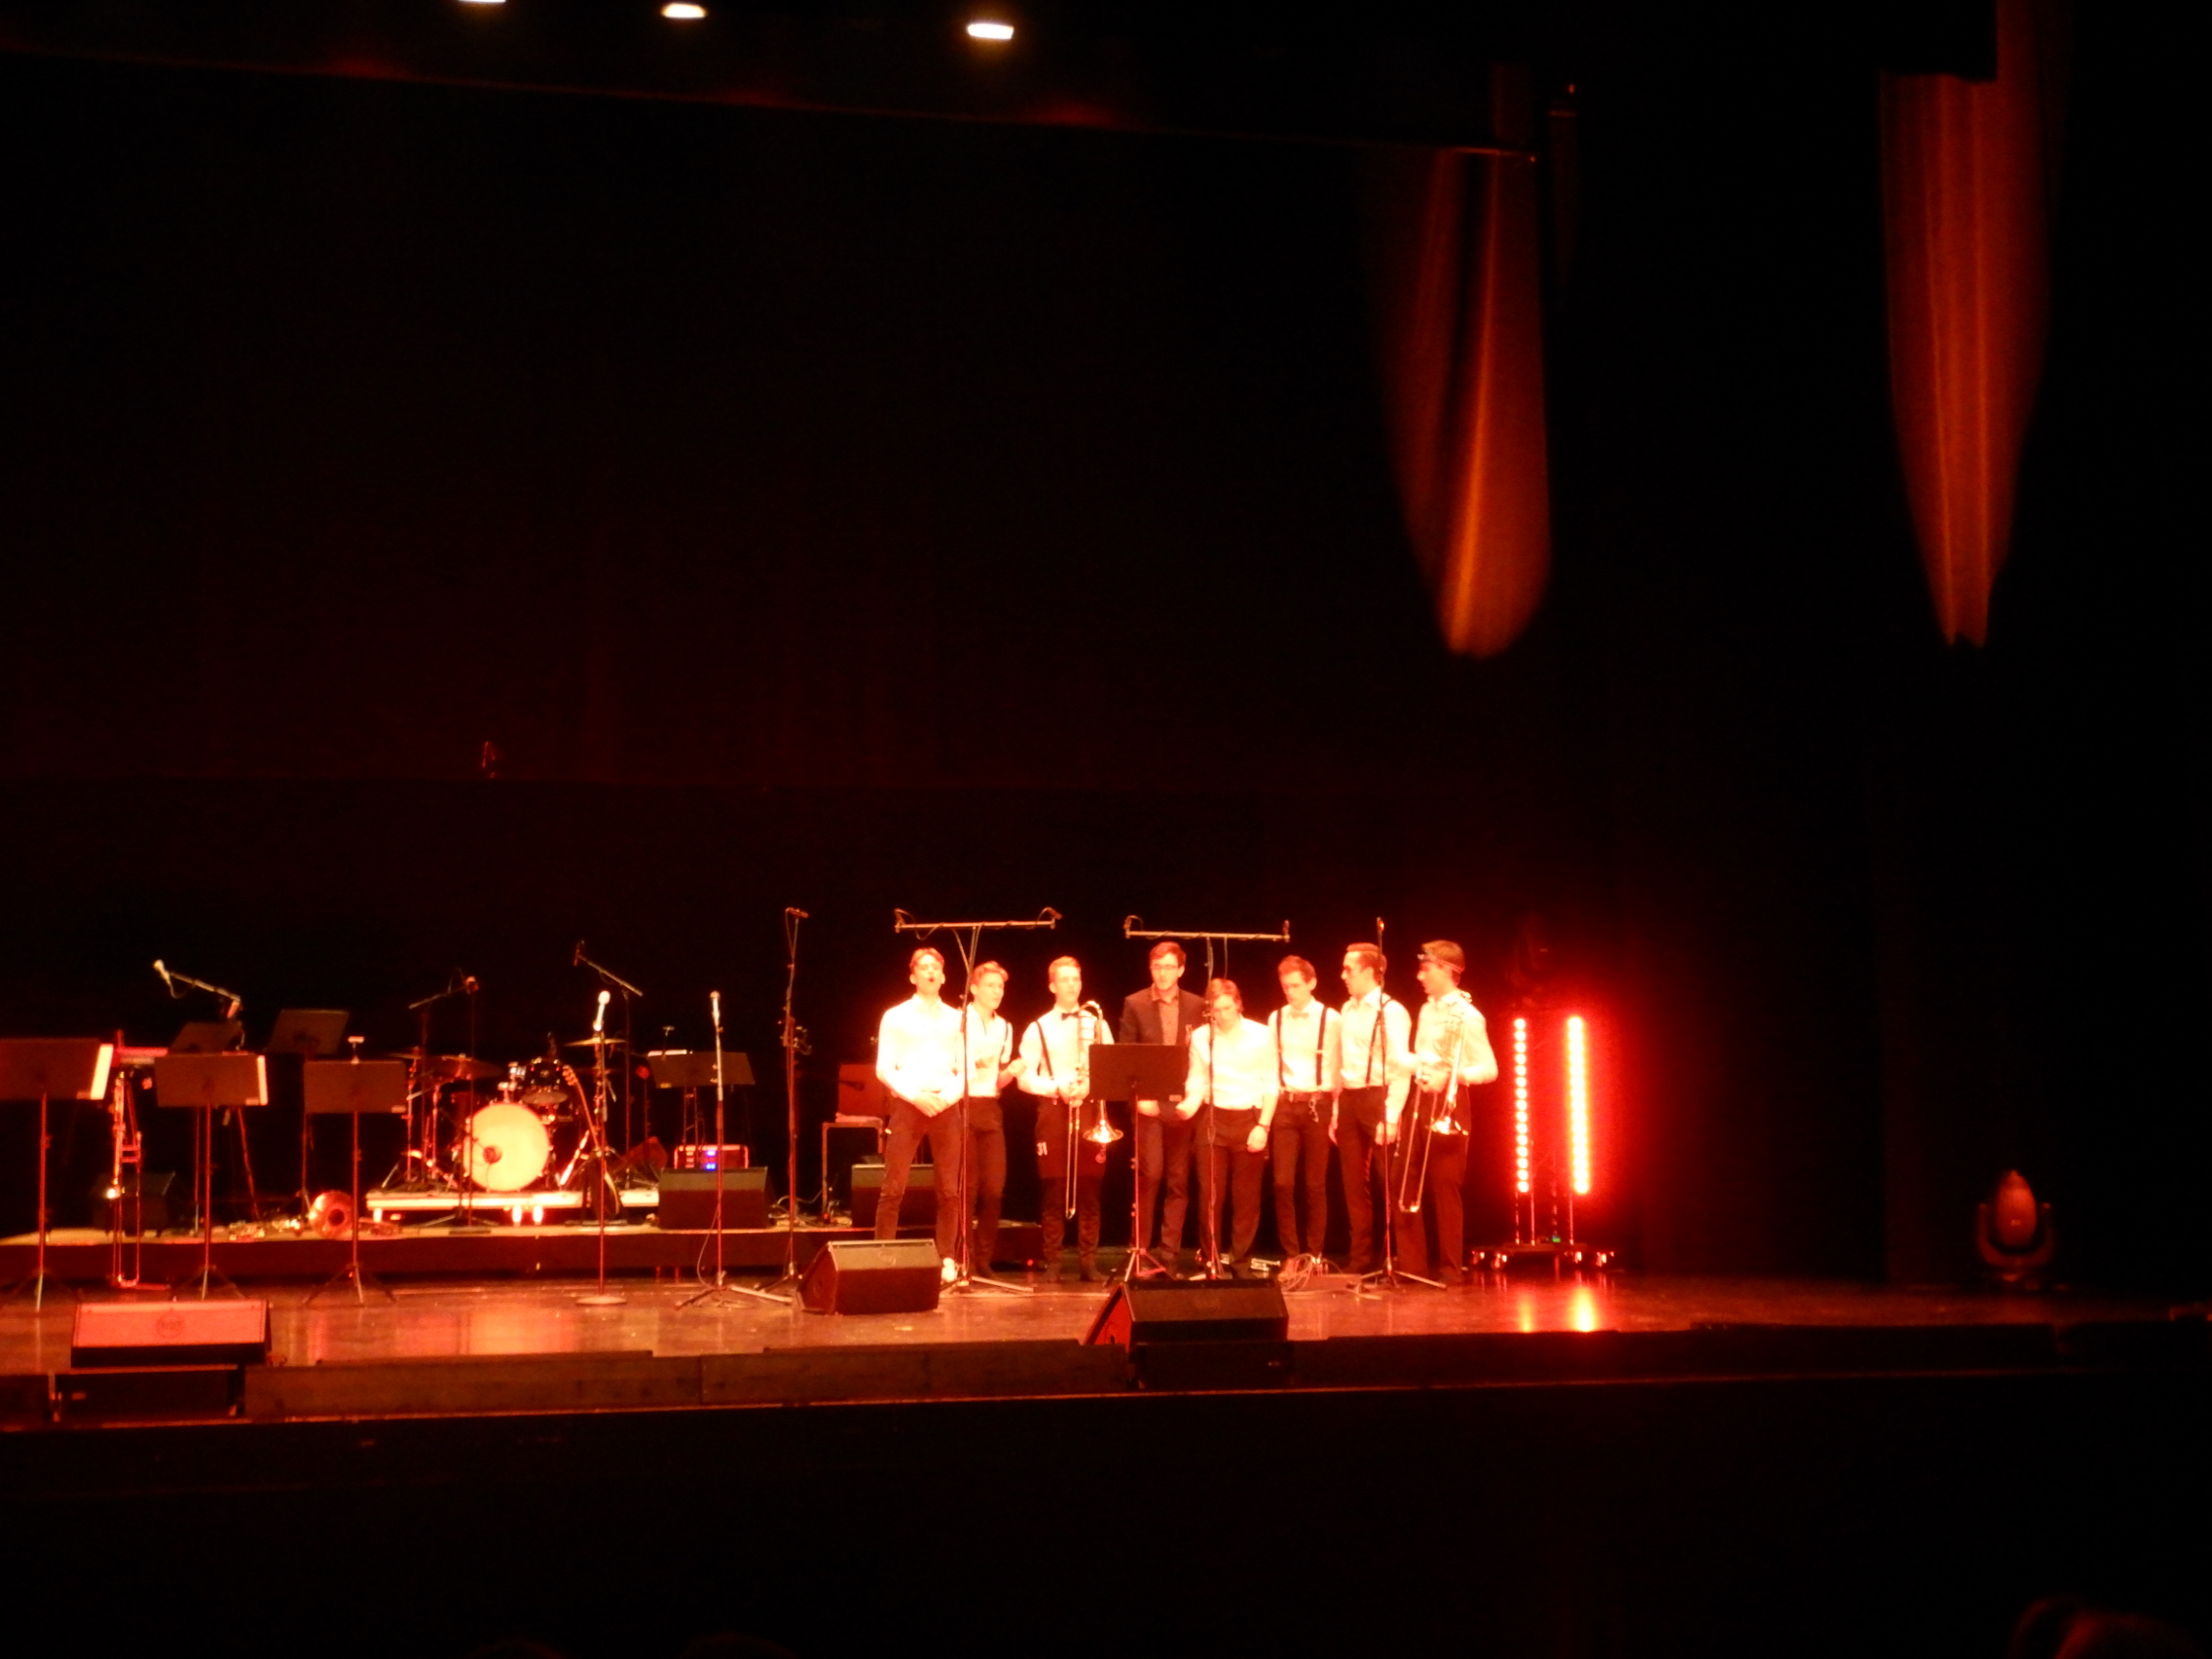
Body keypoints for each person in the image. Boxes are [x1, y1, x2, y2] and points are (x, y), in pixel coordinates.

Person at [1393, 940, 1498, 1284]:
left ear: (1446, 970)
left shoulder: (1468, 1016)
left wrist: (1452, 1076)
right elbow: (1425, 1056)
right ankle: (1412, 1266)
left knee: (1444, 1186)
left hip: (1451, 1100)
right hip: (1422, 1097)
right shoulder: (1426, 1010)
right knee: (1403, 1179)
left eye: (1426, 969)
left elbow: (1489, 1069)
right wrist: (1408, 1063)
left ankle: (1451, 1269)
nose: (1420, 976)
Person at [873, 947, 967, 1283]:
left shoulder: (958, 1018)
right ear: (913, 976)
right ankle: (883, 1255)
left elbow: (966, 1069)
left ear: (943, 976)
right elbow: (884, 1068)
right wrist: (916, 1097)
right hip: (908, 1105)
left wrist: (944, 1099)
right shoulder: (895, 1016)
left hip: (945, 1105)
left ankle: (947, 1258)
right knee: (893, 1186)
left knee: (949, 1190)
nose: (930, 971)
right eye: (924, 967)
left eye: (936, 967)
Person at [1019, 956, 1114, 1282]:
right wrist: (1056, 1087)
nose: (1072, 984)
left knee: (1090, 1189)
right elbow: (1024, 1078)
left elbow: (1110, 1067)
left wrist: (1089, 1086)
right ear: (1052, 986)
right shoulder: (1038, 1027)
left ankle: (1088, 1262)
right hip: (1053, 1109)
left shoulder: (1097, 1023)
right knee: (1054, 1189)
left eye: (1076, 979)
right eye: (1065, 979)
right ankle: (1054, 1263)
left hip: (1089, 1108)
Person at [1120, 940, 1205, 1273]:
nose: (1162, 973)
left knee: (1178, 1181)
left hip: (1182, 1103)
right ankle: (1140, 1250)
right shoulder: (1136, 1003)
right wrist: (1138, 1097)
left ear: (1181, 970)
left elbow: (1201, 1057)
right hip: (1149, 1104)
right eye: (1157, 967)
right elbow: (1126, 1055)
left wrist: (1192, 1098)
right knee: (1151, 1174)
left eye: (1169, 967)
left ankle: (1169, 1254)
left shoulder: (1197, 1005)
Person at [1183, 978, 1278, 1276]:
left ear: (1238, 1004)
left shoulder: (1261, 1035)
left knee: (1246, 1199)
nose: (1222, 1016)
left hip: (1249, 1118)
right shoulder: (1201, 1037)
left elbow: (1271, 1083)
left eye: (1227, 1008)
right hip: (1213, 1118)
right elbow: (1197, 1079)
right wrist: (1189, 1104)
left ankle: (1240, 1263)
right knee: (1210, 1197)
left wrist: (1263, 1125)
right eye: (1216, 1010)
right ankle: (1211, 1260)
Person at [1336, 941, 1414, 1275]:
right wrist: (1337, 1108)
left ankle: (1402, 1258)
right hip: (1351, 1098)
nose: (1343, 976)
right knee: (1354, 1185)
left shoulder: (1391, 1011)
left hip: (1379, 1097)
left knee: (1390, 1181)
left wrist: (1391, 1115)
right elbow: (1342, 1062)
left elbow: (1401, 1067)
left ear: (1369, 972)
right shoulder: (1347, 1009)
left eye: (1349, 970)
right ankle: (1360, 1260)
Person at [1268, 956, 1341, 1268]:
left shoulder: (1331, 1018)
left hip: (1317, 1104)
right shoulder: (1277, 1018)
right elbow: (1272, 1064)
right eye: (1285, 987)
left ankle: (1314, 1254)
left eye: (1296, 986)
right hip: (1286, 1104)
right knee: (1282, 1182)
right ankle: (1291, 1254)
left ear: (1311, 983)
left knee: (1314, 1184)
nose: (1290, 992)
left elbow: (1337, 1066)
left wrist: (1335, 1110)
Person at [959, 960, 1023, 1273]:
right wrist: (975, 1063)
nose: (997, 991)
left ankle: (984, 1257)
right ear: (974, 989)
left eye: (1000, 986)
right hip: (963, 1105)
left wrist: (1011, 1072)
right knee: (968, 1189)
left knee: (994, 1189)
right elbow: (949, 1064)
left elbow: (998, 1079)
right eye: (990, 985)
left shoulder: (1005, 1027)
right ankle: (964, 1257)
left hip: (990, 1108)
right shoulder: (960, 1021)